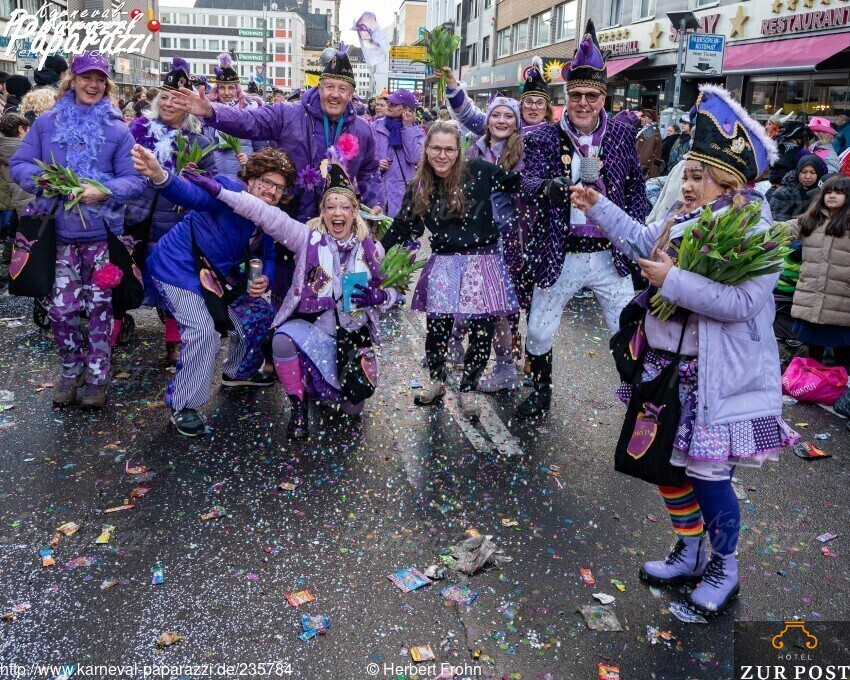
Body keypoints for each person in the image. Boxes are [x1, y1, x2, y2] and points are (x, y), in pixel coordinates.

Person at [570, 84, 796, 617]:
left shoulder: (756, 232)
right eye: (685, 174)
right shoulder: (680, 218)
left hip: (717, 379)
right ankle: (691, 550)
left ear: (730, 181)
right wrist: (599, 206)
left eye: (698, 176)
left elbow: (743, 303)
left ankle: (724, 565)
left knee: (709, 478)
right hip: (665, 368)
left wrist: (671, 281)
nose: (687, 185)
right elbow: (640, 240)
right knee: (665, 467)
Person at [190, 161, 400, 439]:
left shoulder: (372, 250)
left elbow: (396, 292)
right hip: (315, 331)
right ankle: (298, 407)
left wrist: (381, 296)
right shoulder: (307, 239)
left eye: (344, 207)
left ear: (354, 213)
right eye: (331, 207)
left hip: (351, 342)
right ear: (323, 212)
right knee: (282, 339)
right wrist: (220, 192)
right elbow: (266, 214)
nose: (337, 213)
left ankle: (322, 388)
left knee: (352, 409)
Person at [171, 44, 384, 308]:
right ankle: (285, 328)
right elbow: (249, 121)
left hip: (336, 224)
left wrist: (374, 204)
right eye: (329, 86)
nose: (335, 94)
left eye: (342, 89)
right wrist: (211, 112)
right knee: (288, 296)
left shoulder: (363, 130)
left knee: (334, 296)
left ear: (351, 93)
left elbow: (370, 171)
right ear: (319, 87)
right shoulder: (288, 113)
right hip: (290, 222)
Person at [517, 19, 647, 417]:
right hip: (562, 252)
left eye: (592, 95)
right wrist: (550, 187)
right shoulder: (542, 137)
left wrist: (640, 245)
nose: (584, 103)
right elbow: (525, 184)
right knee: (538, 330)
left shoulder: (622, 136)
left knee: (627, 330)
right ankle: (540, 390)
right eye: (576, 95)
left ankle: (641, 400)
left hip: (610, 255)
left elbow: (636, 192)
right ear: (566, 97)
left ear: (603, 98)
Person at [10, 52, 146, 409]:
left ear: (107, 85)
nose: (93, 85)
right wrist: (45, 181)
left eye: (100, 79)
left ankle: (97, 377)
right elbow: (20, 164)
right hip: (57, 237)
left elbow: (135, 180)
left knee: (101, 310)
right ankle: (72, 370)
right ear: (72, 80)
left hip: (101, 237)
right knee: (60, 311)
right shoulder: (47, 123)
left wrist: (104, 191)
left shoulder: (117, 129)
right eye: (87, 77)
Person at [132, 146, 287, 436]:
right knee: (203, 331)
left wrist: (265, 277)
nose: (272, 191)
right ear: (251, 178)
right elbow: (193, 195)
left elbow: (269, 255)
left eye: (279, 187)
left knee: (259, 313)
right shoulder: (229, 189)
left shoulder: (267, 215)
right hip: (178, 267)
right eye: (267, 182)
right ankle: (184, 405)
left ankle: (238, 372)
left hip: (218, 278)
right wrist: (161, 176)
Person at [380, 121, 521, 419]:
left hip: (481, 260)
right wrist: (373, 255)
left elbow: (518, 184)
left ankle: (468, 389)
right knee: (437, 328)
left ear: (459, 151)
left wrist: (554, 186)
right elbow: (401, 228)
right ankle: (437, 381)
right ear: (426, 150)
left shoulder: (478, 171)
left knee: (481, 332)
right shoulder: (419, 186)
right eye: (436, 149)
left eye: (449, 150)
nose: (442, 156)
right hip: (444, 262)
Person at [124, 57, 216, 363]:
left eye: (176, 99)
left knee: (176, 279)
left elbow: (211, 183)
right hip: (137, 217)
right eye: (164, 97)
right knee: (126, 275)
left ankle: (174, 342)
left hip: (176, 222)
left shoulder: (199, 142)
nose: (168, 104)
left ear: (187, 106)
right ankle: (112, 332)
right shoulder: (137, 132)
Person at [790, 173, 850, 371]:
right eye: (828, 192)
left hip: (842, 302)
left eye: (839, 192)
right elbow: (782, 229)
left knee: (844, 358)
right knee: (813, 357)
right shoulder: (811, 220)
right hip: (813, 299)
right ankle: (813, 384)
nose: (832, 196)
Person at [444, 56, 552, 135]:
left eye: (540, 103)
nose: (533, 107)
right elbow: (469, 116)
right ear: (521, 106)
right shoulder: (505, 126)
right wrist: (452, 84)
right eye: (529, 101)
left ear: (547, 110)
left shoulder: (555, 135)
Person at [204, 53, 265, 179]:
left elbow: (262, 150)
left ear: (237, 89)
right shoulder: (209, 112)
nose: (226, 93)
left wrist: (250, 162)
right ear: (216, 90)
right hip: (215, 178)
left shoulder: (250, 112)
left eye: (231, 88)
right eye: (222, 88)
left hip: (242, 177)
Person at [373, 89, 425, 217]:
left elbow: (414, 158)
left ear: (407, 109)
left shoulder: (417, 131)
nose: (389, 105)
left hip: (402, 194)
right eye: (389, 102)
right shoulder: (376, 126)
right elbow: (365, 156)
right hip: (378, 191)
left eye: (394, 104)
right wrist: (376, 164)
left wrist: (407, 128)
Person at [0, 113, 33, 279]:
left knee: (14, 232)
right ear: (21, 129)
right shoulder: (24, 151)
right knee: (26, 237)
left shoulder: (3, 149)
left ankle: (7, 262)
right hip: (28, 201)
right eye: (28, 129)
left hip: (14, 201)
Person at [767, 154, 826, 222]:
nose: (807, 176)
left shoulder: (824, 191)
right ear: (798, 172)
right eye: (803, 172)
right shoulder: (784, 193)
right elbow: (778, 218)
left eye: (812, 173)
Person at [637, 108, 663, 179]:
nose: (641, 119)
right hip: (649, 168)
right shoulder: (648, 130)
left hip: (648, 169)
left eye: (644, 117)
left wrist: (639, 168)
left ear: (651, 119)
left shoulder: (651, 132)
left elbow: (646, 153)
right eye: (641, 117)